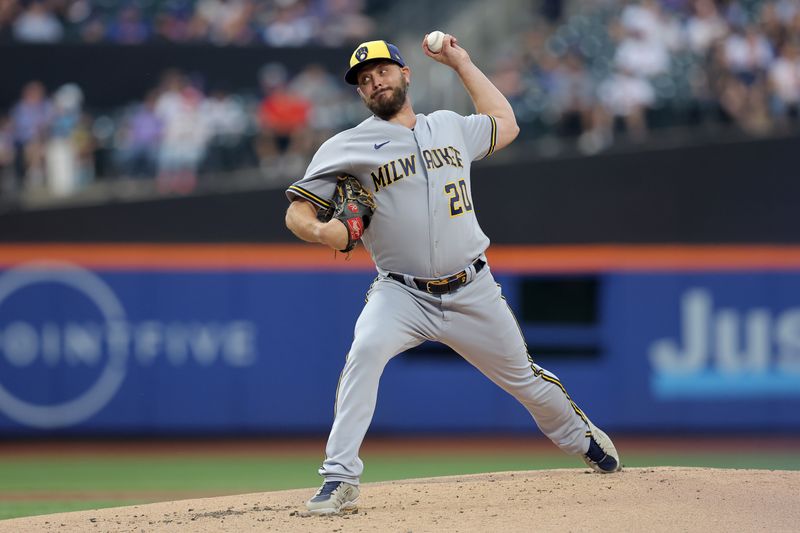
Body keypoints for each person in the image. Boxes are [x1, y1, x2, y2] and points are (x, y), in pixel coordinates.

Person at [284, 35, 622, 516]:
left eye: (381, 70)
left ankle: (580, 438)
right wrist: (324, 232)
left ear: (405, 74)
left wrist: (462, 61)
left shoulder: (449, 126)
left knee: (525, 379)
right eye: (363, 79)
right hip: (401, 293)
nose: (373, 80)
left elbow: (506, 124)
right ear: (360, 93)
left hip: (473, 288)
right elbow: (296, 211)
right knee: (364, 353)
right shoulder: (347, 145)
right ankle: (339, 477)